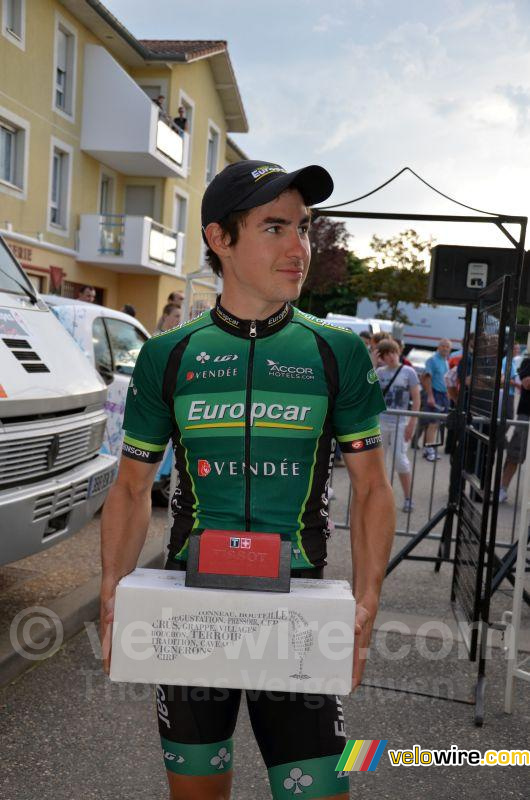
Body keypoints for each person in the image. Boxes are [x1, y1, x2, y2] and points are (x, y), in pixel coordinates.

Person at [100, 159, 395, 800]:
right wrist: (109, 590)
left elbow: (373, 489)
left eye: (306, 228)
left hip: (301, 604)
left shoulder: (335, 351)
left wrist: (367, 603)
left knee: (318, 789)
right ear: (220, 240)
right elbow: (129, 487)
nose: (299, 248)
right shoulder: (168, 353)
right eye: (275, 228)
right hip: (188, 603)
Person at [376, 339, 420, 512]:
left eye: (393, 352)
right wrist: (373, 360)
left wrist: (412, 423)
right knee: (380, 461)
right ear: (382, 357)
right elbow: (368, 388)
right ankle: (381, 498)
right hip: (381, 421)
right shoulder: (379, 372)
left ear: (398, 352)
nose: (391, 357)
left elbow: (416, 398)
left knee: (400, 460)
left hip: (400, 421)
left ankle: (408, 498)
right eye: (386, 354)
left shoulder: (408, 372)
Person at [499, 353, 530, 503]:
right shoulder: (527, 362)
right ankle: (502, 489)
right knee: (515, 453)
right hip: (526, 414)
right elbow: (526, 383)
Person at [421, 338, 451, 461]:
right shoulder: (432, 360)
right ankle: (429, 450)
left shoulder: (446, 361)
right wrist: (430, 396)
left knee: (437, 423)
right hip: (435, 394)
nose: (445, 348)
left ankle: (429, 448)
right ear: (438, 347)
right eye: (443, 346)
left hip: (444, 395)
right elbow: (427, 378)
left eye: (447, 347)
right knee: (433, 423)